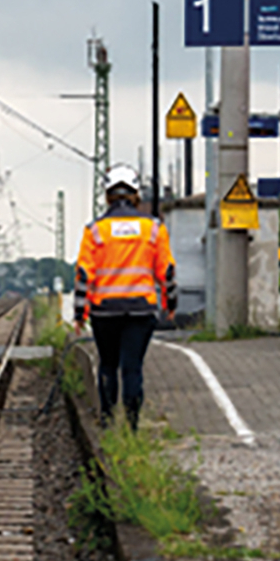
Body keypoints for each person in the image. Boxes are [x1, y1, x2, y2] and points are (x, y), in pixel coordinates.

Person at [73, 165, 176, 432]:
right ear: (135, 193)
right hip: (141, 312)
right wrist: (170, 305)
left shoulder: (95, 230)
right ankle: (132, 426)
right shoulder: (153, 228)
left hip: (104, 311)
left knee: (108, 364)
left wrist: (79, 315)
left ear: (107, 194)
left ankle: (107, 423)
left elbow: (84, 275)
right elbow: (166, 271)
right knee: (133, 367)